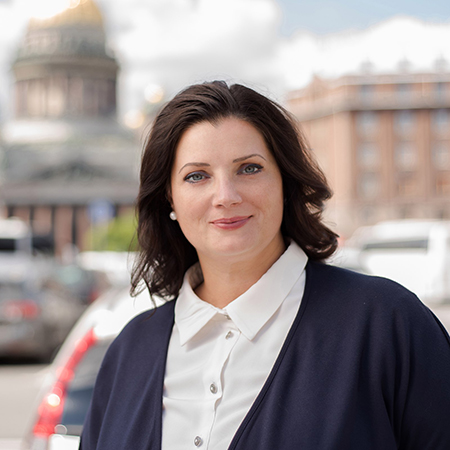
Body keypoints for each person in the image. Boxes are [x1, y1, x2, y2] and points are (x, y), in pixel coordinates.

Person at [80, 81, 450, 450]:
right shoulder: (128, 352)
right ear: (169, 199)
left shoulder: (387, 325)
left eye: (249, 168)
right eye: (197, 176)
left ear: (285, 182)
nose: (226, 196)